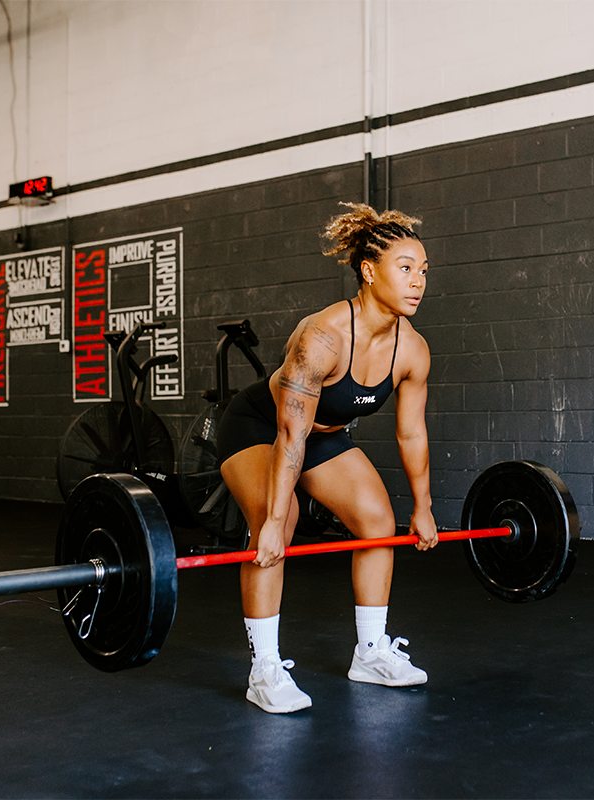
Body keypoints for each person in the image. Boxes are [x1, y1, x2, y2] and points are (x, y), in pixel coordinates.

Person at [215, 202, 437, 713]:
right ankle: (265, 669)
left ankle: (371, 652)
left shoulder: (413, 350)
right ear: (368, 270)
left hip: (322, 434)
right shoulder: (323, 337)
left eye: (423, 270)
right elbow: (290, 435)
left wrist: (422, 506)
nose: (418, 281)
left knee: (378, 520)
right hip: (261, 427)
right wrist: (271, 520)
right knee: (278, 521)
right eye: (405, 268)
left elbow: (412, 435)